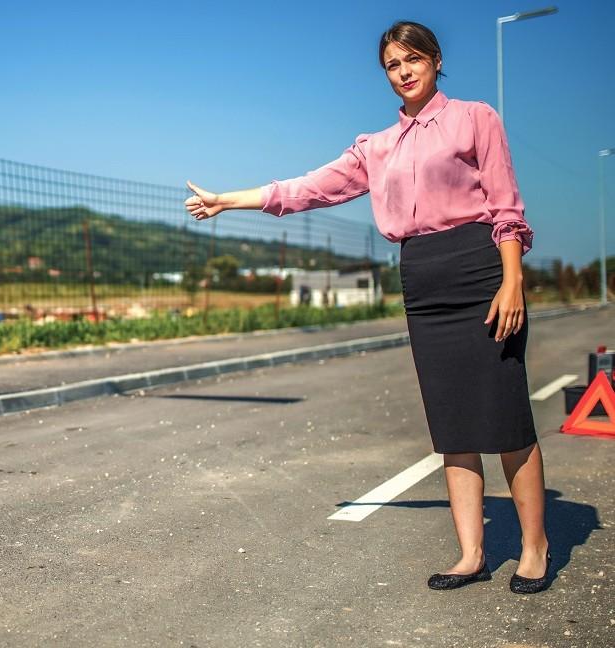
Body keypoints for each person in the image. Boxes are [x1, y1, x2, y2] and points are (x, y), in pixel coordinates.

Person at [183, 20, 552, 594]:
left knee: (506, 419)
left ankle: (534, 548)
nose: (403, 72)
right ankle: (471, 554)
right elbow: (308, 188)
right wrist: (228, 201)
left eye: (412, 60)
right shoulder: (376, 147)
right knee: (452, 423)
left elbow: (507, 209)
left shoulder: (476, 117)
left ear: (434, 60)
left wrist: (512, 283)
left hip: (480, 269)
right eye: (391, 65)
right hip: (422, 279)